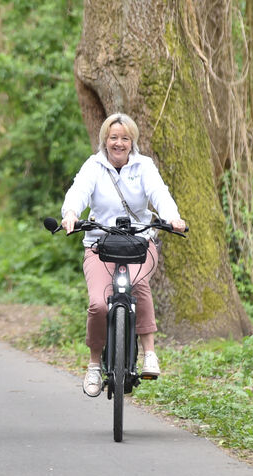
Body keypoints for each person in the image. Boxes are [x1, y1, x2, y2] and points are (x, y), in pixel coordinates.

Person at [60, 112, 187, 398]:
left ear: (133, 141)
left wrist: (172, 218)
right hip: (99, 246)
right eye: (113, 137)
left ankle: (149, 354)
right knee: (98, 305)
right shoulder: (94, 166)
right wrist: (70, 214)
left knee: (138, 284)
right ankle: (94, 365)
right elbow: (78, 192)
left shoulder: (144, 166)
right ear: (105, 139)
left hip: (139, 245)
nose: (119, 143)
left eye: (125, 138)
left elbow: (160, 194)